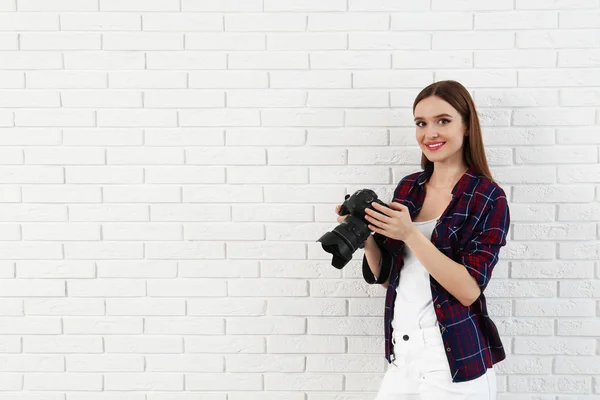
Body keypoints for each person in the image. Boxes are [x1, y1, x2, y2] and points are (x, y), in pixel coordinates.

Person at [335, 80, 510, 399]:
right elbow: (390, 278)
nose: (430, 133)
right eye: (421, 123)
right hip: (402, 356)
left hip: (452, 362)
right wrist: (365, 238)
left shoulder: (487, 196)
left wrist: (410, 234)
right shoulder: (409, 187)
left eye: (443, 121)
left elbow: (469, 290)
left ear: (467, 126)